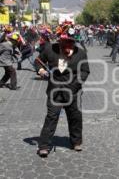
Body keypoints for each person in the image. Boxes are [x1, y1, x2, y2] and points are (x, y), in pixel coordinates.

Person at [36, 24, 90, 157]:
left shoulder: (80, 53)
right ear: (60, 41)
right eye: (65, 42)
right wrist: (41, 69)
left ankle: (76, 141)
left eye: (71, 43)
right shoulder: (50, 49)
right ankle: (44, 145)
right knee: (51, 117)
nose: (68, 45)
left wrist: (75, 85)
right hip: (54, 91)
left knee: (75, 117)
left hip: (73, 91)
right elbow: (38, 60)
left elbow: (85, 71)